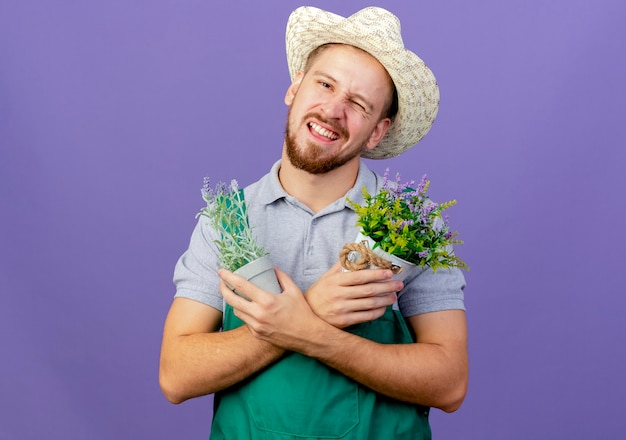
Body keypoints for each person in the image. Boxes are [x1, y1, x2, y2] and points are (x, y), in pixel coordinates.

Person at [160, 6, 468, 440]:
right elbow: (176, 376)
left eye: (358, 103)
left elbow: (450, 384)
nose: (333, 110)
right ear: (295, 87)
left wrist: (311, 332)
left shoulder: (409, 227)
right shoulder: (228, 221)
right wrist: (307, 314)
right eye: (325, 84)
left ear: (377, 132)